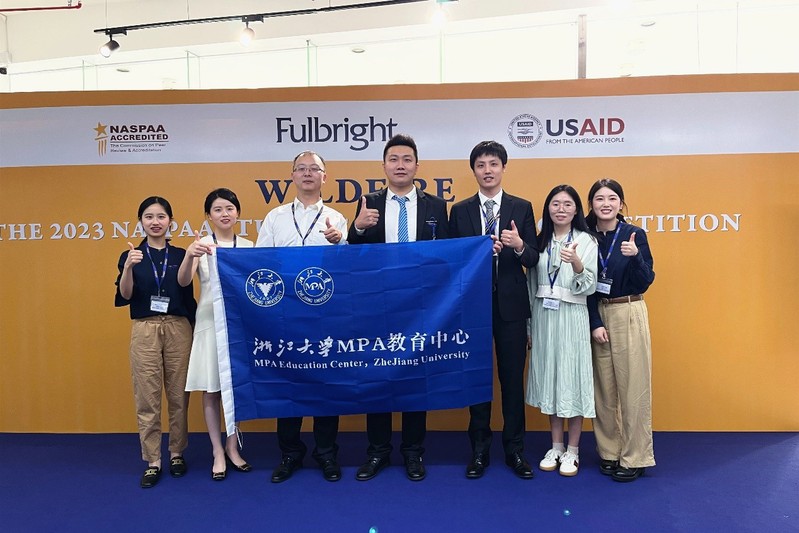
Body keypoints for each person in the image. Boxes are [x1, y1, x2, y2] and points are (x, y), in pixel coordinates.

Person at [348, 133, 449, 482]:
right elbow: (353, 252)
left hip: (421, 306)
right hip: (379, 304)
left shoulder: (436, 206)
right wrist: (358, 228)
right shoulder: (369, 202)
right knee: (379, 375)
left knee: (415, 378)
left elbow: (447, 256)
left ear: (417, 166)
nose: (400, 165)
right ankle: (377, 451)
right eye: (394, 159)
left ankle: (412, 451)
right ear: (384, 166)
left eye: (407, 159)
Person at [448, 140, 539, 480]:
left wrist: (518, 245)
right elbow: (452, 261)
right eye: (481, 165)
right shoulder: (460, 211)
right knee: (477, 380)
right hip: (472, 308)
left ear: (503, 168)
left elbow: (534, 258)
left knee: (512, 381)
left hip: (511, 308)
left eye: (493, 164)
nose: (487, 170)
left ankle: (515, 450)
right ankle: (479, 451)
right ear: (473, 170)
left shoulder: (521, 207)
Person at [255, 150, 348, 483]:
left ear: (325, 177)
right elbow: (260, 264)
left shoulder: (336, 218)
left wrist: (339, 243)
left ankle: (326, 453)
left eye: (314, 169)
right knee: (289, 384)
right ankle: (290, 453)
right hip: (284, 313)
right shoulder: (275, 217)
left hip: (325, 314)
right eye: (301, 168)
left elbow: (346, 270)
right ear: (292, 175)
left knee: (326, 384)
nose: (308, 173)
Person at [114, 196, 197, 488]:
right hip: (145, 328)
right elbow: (125, 295)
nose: (155, 222)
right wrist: (127, 268)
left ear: (171, 221)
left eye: (161, 216)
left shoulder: (181, 254)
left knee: (178, 395)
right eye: (148, 216)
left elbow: (186, 288)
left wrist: (192, 256)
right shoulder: (132, 255)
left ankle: (176, 453)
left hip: (178, 327)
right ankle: (153, 460)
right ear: (141, 222)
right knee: (147, 397)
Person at [177, 188, 254, 481]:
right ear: (208, 215)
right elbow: (183, 281)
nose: (224, 214)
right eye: (218, 209)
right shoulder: (201, 245)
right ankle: (217, 451)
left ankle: (232, 447)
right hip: (210, 323)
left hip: (239, 325)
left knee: (235, 387)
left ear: (238, 213)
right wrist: (190, 255)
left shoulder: (248, 246)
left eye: (229, 208)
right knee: (211, 389)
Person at [585, 178, 656, 483]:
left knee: (633, 385)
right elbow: (585, 286)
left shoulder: (633, 234)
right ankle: (609, 451)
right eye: (600, 198)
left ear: (621, 203)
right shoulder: (585, 237)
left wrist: (635, 257)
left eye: (612, 198)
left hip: (628, 310)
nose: (606, 204)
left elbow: (646, 280)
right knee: (604, 388)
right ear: (591, 204)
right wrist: (594, 322)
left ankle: (635, 455)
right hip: (598, 313)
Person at [526, 184, 598, 477]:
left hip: (573, 316)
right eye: (555, 203)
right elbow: (531, 285)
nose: (561, 209)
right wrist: (530, 326)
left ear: (577, 209)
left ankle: (573, 450)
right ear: (548, 208)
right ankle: (555, 446)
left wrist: (577, 263)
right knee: (552, 380)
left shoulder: (586, 240)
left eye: (567, 204)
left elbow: (590, 285)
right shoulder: (539, 241)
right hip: (544, 317)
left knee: (572, 378)